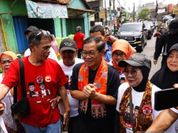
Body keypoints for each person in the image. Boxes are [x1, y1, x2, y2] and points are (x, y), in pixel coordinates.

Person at [0, 29, 70, 133]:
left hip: (52, 120)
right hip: (29, 121)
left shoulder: (54, 65)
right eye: (45, 47)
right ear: (33, 47)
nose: (49, 51)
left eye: (49, 47)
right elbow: (5, 86)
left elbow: (62, 87)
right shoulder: (18, 66)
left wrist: (67, 108)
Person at [70, 37, 120, 133]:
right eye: (84, 52)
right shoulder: (77, 69)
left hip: (105, 123)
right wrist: (86, 93)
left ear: (102, 53)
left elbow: (114, 100)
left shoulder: (112, 73)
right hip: (83, 120)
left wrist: (96, 95)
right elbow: (73, 92)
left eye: (91, 53)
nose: (87, 57)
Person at [116, 53, 160, 132]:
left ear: (144, 72)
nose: (129, 75)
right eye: (126, 71)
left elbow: (160, 127)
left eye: (133, 71)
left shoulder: (156, 94)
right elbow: (119, 117)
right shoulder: (123, 88)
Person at [58, 38, 83, 133]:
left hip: (80, 112)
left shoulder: (82, 64)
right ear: (59, 52)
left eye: (70, 52)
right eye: (64, 52)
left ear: (76, 52)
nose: (67, 55)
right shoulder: (56, 66)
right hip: (62, 111)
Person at [0, 51, 17, 132]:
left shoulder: (20, 77)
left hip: (22, 119)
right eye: (3, 62)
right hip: (5, 119)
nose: (6, 64)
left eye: (9, 61)